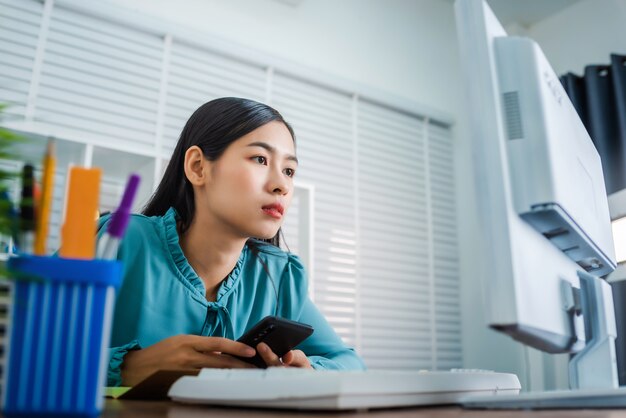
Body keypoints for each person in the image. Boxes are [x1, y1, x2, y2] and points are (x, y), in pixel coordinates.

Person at [99, 97, 366, 387]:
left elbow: (351, 364)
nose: (282, 185)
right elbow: (43, 351)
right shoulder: (121, 240)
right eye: (260, 159)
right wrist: (127, 367)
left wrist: (308, 373)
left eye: (289, 170)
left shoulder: (279, 277)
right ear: (198, 167)